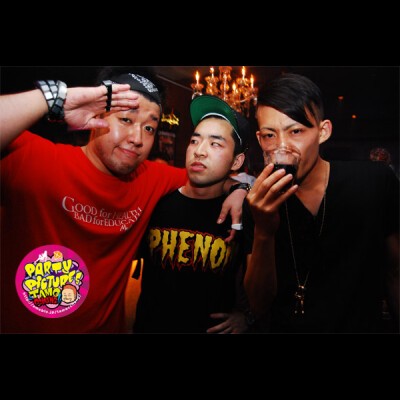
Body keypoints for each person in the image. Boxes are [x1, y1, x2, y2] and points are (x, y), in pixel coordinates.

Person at [0, 68, 247, 334]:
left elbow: (212, 176)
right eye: (126, 119)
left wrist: (240, 187)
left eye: (149, 128)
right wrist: (55, 99)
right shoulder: (34, 160)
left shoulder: (151, 179)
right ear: (96, 115)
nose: (137, 139)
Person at [243, 73, 399, 333]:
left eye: (296, 131)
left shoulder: (374, 183)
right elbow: (258, 304)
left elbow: (396, 273)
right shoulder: (256, 202)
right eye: (270, 135)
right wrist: (263, 231)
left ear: (323, 131)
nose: (283, 147)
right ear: (260, 140)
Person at [133, 95, 252, 333]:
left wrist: (248, 316)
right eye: (194, 140)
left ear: (236, 161)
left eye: (215, 144)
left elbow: (266, 279)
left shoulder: (243, 212)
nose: (199, 151)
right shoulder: (157, 200)